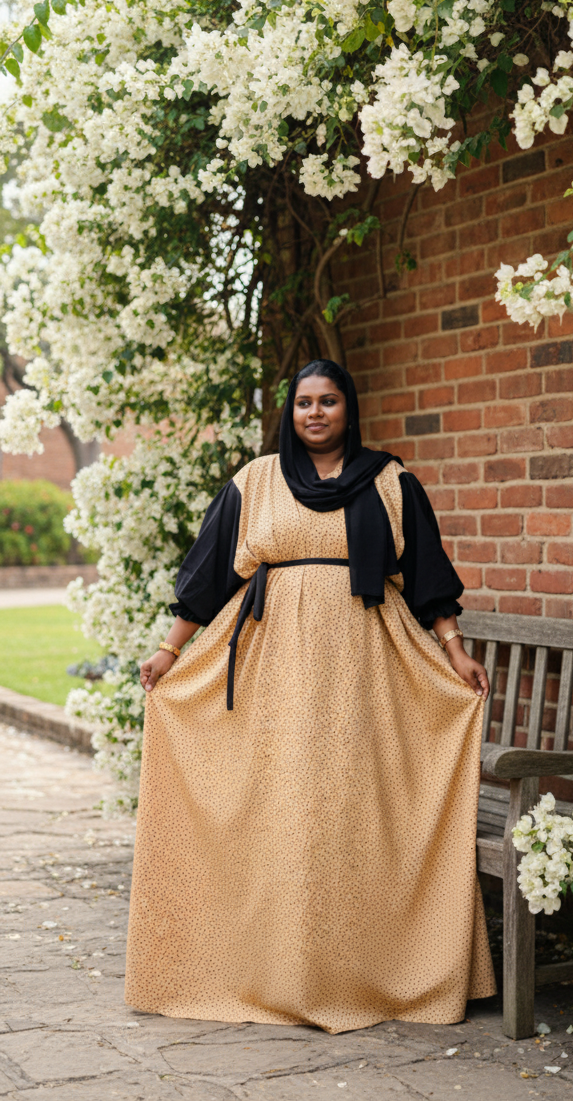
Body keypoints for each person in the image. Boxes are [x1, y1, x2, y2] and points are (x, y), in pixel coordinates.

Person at [125, 360, 497, 1034]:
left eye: (329, 401)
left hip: (364, 670)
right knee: (280, 808)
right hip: (272, 670)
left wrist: (454, 650)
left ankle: (365, 970)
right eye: (304, 403)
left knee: (353, 810)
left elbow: (428, 576)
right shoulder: (255, 481)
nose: (316, 413)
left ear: (349, 408)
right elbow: (207, 576)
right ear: (290, 411)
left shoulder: (390, 481)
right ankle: (269, 968)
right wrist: (169, 650)